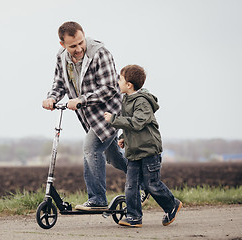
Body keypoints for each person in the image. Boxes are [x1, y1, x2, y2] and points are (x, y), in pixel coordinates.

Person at [42, 21, 131, 210]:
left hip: (110, 113)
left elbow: (109, 88)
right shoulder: (61, 58)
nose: (79, 48)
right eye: (73, 46)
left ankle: (98, 199)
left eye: (81, 42)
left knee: (90, 148)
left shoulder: (100, 54)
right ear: (63, 45)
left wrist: (82, 99)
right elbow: (59, 84)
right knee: (113, 157)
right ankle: (147, 182)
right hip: (89, 117)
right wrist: (51, 98)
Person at [104, 64, 182, 227]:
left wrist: (113, 120)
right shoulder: (126, 100)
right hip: (134, 151)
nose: (117, 82)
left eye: (120, 79)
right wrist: (123, 137)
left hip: (148, 150)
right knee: (131, 185)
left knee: (152, 184)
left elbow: (138, 122)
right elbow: (129, 123)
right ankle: (134, 216)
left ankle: (172, 204)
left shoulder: (142, 102)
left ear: (129, 84)